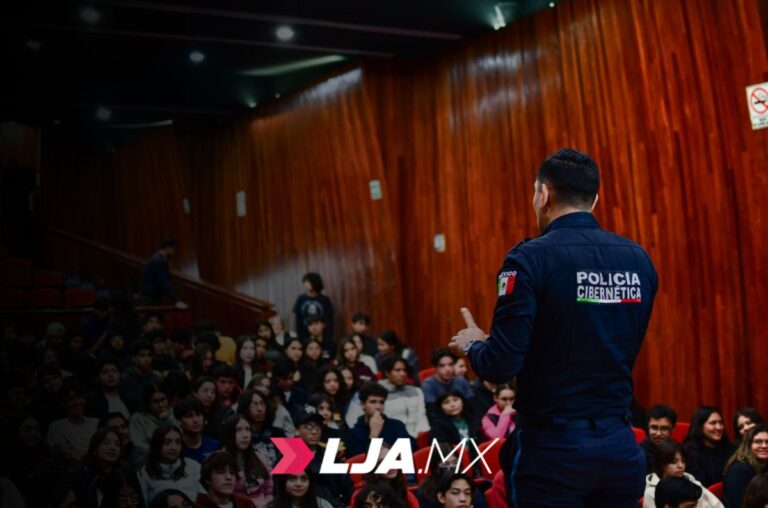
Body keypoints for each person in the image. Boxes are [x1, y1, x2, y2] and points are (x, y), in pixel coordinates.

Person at [448, 148, 658, 507]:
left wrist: (474, 343)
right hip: (620, 446)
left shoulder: (529, 259)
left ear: (543, 194)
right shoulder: (638, 259)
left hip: (554, 454)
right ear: (595, 198)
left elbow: (500, 364)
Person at [136, 424, 204, 505]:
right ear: (157, 445)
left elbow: (205, 498)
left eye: (178, 442)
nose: (174, 447)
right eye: (167, 443)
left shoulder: (193, 466)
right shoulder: (145, 472)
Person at [642, 440, 722, 508]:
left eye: (683, 461)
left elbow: (717, 505)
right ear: (662, 463)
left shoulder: (692, 483)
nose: (681, 466)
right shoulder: (651, 492)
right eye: (674, 462)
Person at [344, 383, 414, 457]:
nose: (378, 407)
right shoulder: (353, 434)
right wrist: (374, 436)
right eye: (373, 402)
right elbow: (360, 461)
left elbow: (410, 451)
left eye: (381, 402)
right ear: (363, 405)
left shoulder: (397, 425)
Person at [219, 415, 273, 506]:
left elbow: (269, 490)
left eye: (247, 429)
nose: (245, 435)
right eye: (238, 430)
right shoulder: (219, 460)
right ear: (229, 433)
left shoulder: (260, 457)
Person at [684, 407, 736, 487]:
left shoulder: (731, 448)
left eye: (721, 423)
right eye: (713, 423)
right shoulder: (689, 452)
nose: (719, 427)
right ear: (700, 426)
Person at [723, 423, 768, 508]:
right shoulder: (739, 470)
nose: (764, 446)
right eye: (758, 442)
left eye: (767, 442)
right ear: (749, 445)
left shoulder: (763, 465)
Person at [138, 237, 188, 308]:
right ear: (167, 247)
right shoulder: (158, 261)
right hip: (148, 298)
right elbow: (165, 281)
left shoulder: (160, 259)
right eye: (173, 249)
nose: (174, 252)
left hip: (150, 296)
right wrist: (176, 301)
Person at [129, 385, 175, 450]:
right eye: (156, 401)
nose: (160, 405)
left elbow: (179, 436)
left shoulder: (170, 412)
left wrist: (168, 419)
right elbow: (138, 445)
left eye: (163, 400)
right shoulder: (137, 419)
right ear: (148, 404)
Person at [293, 272, 334, 343]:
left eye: (308, 281)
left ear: (315, 283)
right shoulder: (301, 299)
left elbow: (329, 320)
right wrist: (299, 337)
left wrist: (328, 336)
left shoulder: (324, 300)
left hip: (322, 337)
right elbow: (298, 320)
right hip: (304, 337)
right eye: (304, 282)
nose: (305, 284)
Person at [641, 405, 679, 473]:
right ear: (647, 427)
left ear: (673, 429)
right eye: (654, 428)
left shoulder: (678, 450)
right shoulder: (640, 454)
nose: (658, 433)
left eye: (664, 428)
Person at [269, 472, 336, 508]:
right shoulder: (272, 506)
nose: (299, 484)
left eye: (304, 479)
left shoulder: (321, 504)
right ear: (283, 482)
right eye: (293, 478)